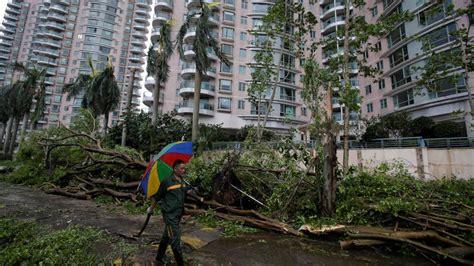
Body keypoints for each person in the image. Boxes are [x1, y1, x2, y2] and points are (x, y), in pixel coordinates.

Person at [147, 159, 202, 265]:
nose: (184, 170)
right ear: (175, 169)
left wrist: (193, 189)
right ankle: (180, 263)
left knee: (166, 236)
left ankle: (159, 257)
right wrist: (151, 208)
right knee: (175, 239)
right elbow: (157, 197)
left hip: (178, 214)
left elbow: (185, 192)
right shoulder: (167, 181)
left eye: (184, 168)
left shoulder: (182, 180)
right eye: (182, 168)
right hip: (169, 214)